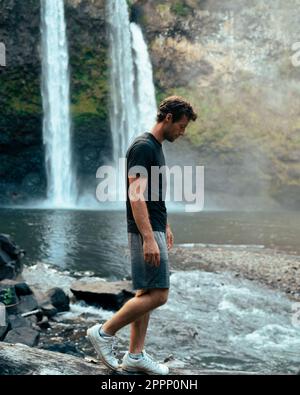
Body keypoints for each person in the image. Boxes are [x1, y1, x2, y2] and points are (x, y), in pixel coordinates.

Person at [87, 96, 197, 375]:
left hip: (155, 225)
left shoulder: (155, 147)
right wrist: (149, 237)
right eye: (182, 127)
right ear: (168, 118)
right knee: (159, 295)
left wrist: (166, 224)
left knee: (145, 292)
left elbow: (154, 194)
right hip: (144, 229)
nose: (182, 133)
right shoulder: (143, 147)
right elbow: (135, 196)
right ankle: (103, 333)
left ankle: (135, 355)